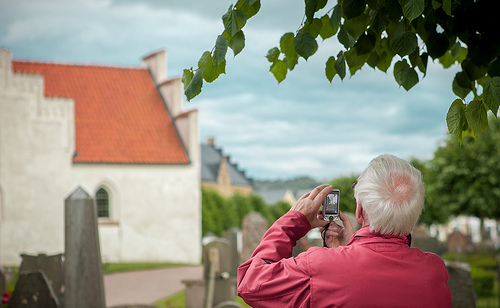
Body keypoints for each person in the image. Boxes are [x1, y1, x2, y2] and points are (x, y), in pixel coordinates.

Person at [237, 154, 452, 307]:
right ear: (414, 215)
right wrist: (352, 249)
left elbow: (250, 283)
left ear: (360, 210)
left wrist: (294, 221)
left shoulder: (319, 267)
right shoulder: (433, 272)